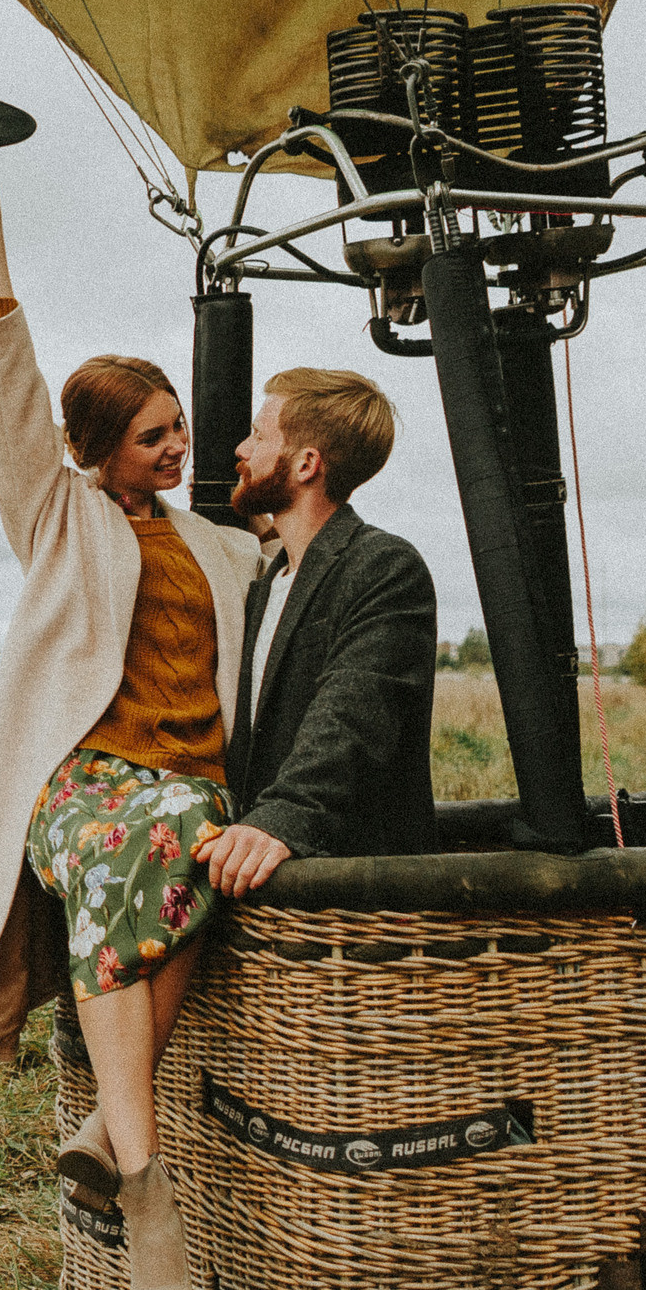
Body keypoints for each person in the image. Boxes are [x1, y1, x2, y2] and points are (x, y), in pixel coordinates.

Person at [0, 166, 262, 1290]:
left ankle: (110, 1127)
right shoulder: (56, 516)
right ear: (98, 449)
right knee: (138, 849)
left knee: (191, 844)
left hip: (192, 787)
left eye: (179, 429)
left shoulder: (217, 544)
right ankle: (146, 1183)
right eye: (153, 436)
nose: (177, 447)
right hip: (88, 784)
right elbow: (9, 390)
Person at [195, 368, 439, 899]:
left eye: (258, 436)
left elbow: (355, 715)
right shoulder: (269, 582)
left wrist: (283, 816)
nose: (241, 449)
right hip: (268, 885)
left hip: (356, 897)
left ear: (306, 464)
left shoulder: (384, 567)